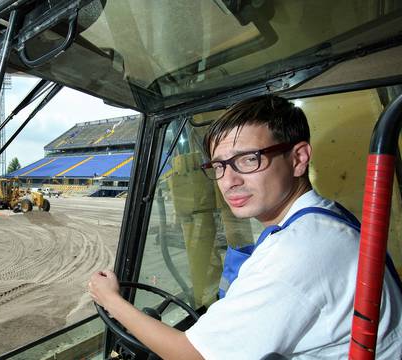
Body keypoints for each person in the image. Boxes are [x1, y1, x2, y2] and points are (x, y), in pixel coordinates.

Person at [88, 95, 402, 359]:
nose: (229, 181)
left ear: (298, 158)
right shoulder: (321, 218)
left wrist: (111, 299)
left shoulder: (297, 251)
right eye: (220, 165)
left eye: (248, 159)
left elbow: (192, 354)